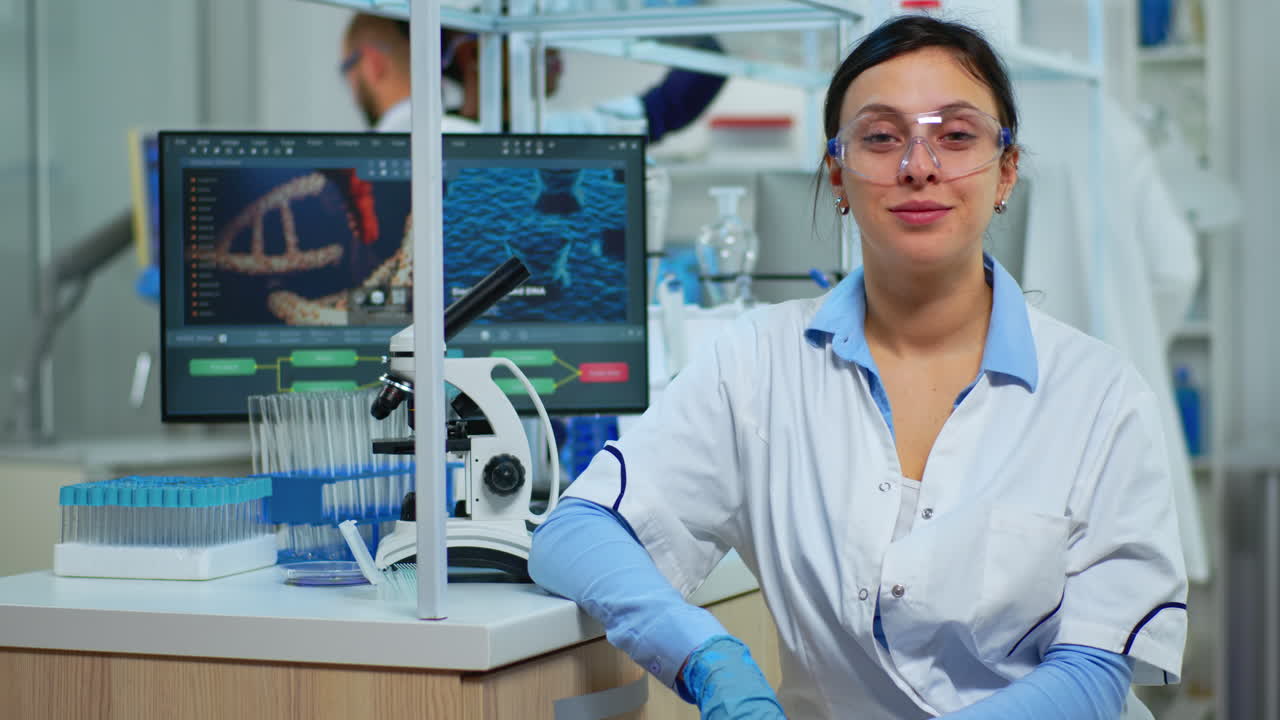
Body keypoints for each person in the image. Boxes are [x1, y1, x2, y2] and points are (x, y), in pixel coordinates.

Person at [528, 14, 1187, 720]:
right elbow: (579, 530)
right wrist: (708, 658)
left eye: (957, 136)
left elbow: (1092, 671)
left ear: (1006, 171)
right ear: (838, 173)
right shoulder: (759, 364)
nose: (919, 165)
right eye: (882, 137)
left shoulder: (1100, 395)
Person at [340, 13, 726, 140]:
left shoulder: (561, 127)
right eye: (534, 36)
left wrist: (658, 16)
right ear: (474, 52)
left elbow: (673, 102)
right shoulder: (433, 135)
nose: (552, 50)